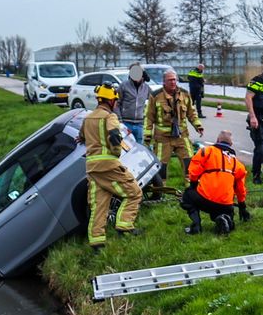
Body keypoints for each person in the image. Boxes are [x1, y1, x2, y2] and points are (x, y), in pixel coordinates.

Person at [81, 85, 142, 247]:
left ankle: (97, 242)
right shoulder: (110, 117)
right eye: (115, 100)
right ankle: (125, 225)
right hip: (108, 165)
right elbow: (115, 136)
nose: (116, 103)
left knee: (99, 206)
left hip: (92, 168)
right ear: (110, 100)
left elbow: (81, 137)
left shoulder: (88, 118)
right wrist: (116, 153)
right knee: (134, 193)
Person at [144, 68, 201, 199]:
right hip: (163, 139)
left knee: (190, 163)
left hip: (182, 136)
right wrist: (147, 136)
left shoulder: (185, 94)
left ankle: (191, 191)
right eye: (170, 80)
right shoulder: (155, 95)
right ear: (164, 82)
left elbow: (191, 112)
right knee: (161, 167)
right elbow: (149, 117)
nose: (173, 82)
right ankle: (160, 193)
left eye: (175, 79)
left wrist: (198, 125)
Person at [182, 130, 251, 234]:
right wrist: (242, 207)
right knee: (226, 213)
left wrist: (193, 186)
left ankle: (196, 226)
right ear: (231, 144)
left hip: (204, 199)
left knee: (187, 196)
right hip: (225, 204)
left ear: (217, 140)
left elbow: (193, 172)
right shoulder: (238, 165)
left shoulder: (206, 152)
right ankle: (225, 218)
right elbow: (240, 189)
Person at [114, 61, 150, 143]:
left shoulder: (146, 88)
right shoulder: (123, 86)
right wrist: (119, 120)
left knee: (138, 148)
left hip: (140, 124)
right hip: (126, 123)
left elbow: (153, 101)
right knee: (126, 146)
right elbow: (116, 103)